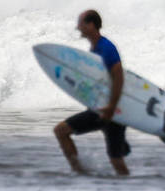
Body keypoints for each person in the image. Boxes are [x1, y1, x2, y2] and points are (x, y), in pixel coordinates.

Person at [52, 10, 131, 176]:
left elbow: (119, 77)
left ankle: (79, 173)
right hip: (104, 109)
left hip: (108, 111)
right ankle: (81, 173)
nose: (78, 27)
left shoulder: (106, 48)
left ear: (91, 25)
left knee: (61, 131)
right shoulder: (96, 48)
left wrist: (111, 107)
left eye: (80, 23)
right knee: (117, 160)